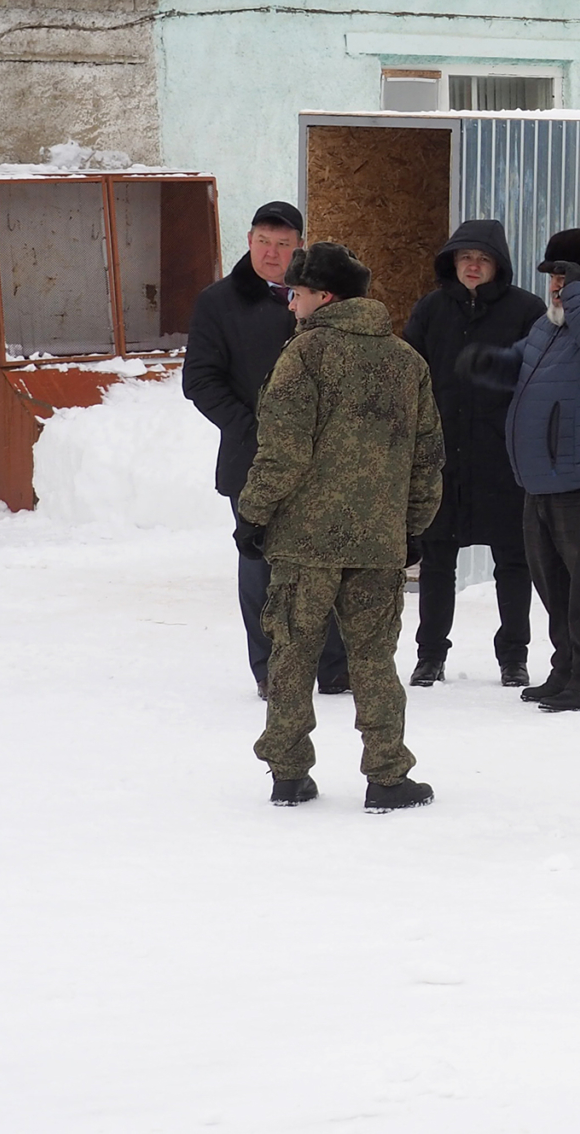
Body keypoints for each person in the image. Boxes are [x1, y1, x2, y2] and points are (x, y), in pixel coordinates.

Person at [239, 242, 442, 812]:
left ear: (324, 296)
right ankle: (387, 775)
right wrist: (414, 525)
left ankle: (287, 773)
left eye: (296, 294)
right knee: (375, 659)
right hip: (380, 540)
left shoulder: (304, 356)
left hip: (304, 541)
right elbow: (428, 455)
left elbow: (282, 450)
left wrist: (253, 514)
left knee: (293, 653)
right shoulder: (407, 360)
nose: (290, 304)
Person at [457, 228, 580, 713]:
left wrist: (579, 294)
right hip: (544, 480)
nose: (555, 288)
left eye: (564, 278)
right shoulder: (553, 325)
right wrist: (489, 363)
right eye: (554, 279)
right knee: (555, 588)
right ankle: (567, 668)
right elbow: (521, 363)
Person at [181, 199, 347, 699]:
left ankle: (334, 666)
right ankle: (271, 669)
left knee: (328, 561)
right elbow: (201, 381)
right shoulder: (219, 302)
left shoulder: (324, 298)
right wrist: (253, 430)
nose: (271, 253)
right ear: (249, 240)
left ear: (299, 246)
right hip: (253, 462)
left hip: (323, 460)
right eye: (262, 242)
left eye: (282, 244)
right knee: (261, 564)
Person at [400, 219, 544, 688]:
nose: (474, 266)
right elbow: (409, 375)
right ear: (453, 263)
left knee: (513, 561)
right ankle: (430, 655)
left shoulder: (527, 310)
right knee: (437, 560)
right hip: (445, 459)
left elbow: (541, 378)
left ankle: (514, 655)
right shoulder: (431, 309)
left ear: (498, 264)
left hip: (503, 458)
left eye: (482, 259)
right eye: (465, 258)